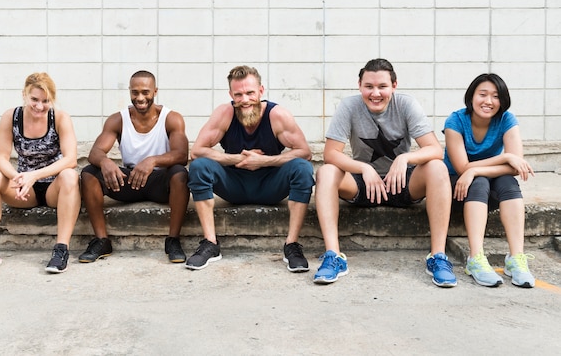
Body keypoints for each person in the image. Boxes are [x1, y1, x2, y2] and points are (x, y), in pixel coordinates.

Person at [314, 58, 457, 287]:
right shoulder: (349, 106)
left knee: (437, 167)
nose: (375, 93)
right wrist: (363, 167)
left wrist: (405, 158)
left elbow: (434, 150)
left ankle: (437, 257)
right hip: (364, 185)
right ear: (359, 85)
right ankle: (334, 256)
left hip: (402, 183)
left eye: (382, 86)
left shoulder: (407, 104)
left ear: (394, 86)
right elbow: (331, 153)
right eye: (369, 86)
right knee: (327, 172)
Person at [186, 65, 315, 271]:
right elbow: (197, 150)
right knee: (199, 166)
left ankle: (291, 245)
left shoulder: (277, 115)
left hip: (270, 186)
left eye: (250, 93)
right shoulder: (225, 113)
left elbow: (304, 151)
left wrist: (264, 161)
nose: (245, 100)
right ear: (231, 94)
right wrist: (235, 158)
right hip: (234, 185)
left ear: (261, 91)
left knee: (302, 168)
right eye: (238, 94)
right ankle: (210, 243)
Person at [0, 72, 80, 276]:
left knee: (70, 176)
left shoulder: (60, 118)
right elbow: (1, 158)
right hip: (23, 188)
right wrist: (16, 177)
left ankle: (61, 250)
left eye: (46, 101)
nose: (39, 106)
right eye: (34, 100)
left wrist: (35, 175)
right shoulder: (11, 117)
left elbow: (71, 159)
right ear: (24, 95)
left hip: (53, 188)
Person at [79, 70, 190, 263]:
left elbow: (181, 155)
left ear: (155, 91)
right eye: (135, 92)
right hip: (129, 180)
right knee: (89, 173)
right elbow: (94, 153)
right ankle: (101, 240)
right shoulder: (118, 119)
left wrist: (152, 160)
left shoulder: (171, 118)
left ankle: (173, 240)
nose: (140, 98)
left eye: (145, 92)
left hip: (159, 182)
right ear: (130, 92)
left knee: (180, 174)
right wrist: (106, 162)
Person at [443, 73, 535, 288]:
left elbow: (515, 167)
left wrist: (475, 170)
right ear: (471, 97)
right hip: (459, 189)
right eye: (482, 94)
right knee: (481, 181)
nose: (488, 101)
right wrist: (505, 156)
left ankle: (516, 259)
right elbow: (462, 168)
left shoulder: (507, 120)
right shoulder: (455, 121)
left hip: (481, 185)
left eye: (495, 96)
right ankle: (475, 258)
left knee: (507, 182)